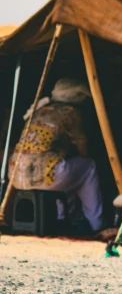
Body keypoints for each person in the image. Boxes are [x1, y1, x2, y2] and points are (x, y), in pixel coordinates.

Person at [10, 77, 113, 239]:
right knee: (88, 167)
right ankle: (97, 223)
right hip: (44, 176)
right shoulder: (70, 113)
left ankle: (62, 219)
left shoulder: (40, 110)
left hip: (17, 175)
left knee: (69, 172)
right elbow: (83, 151)